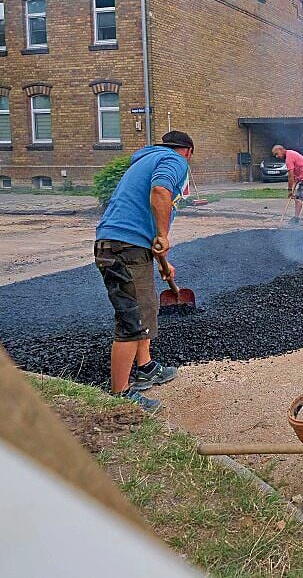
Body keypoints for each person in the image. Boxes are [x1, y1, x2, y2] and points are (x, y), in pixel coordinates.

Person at [93, 131, 193, 412]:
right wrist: (162, 235)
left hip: (125, 246)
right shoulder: (174, 160)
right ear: (188, 151)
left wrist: (164, 260)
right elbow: (160, 192)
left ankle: (146, 366)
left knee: (145, 309)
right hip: (124, 248)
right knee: (132, 317)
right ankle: (121, 395)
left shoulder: (144, 161)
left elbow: (154, 227)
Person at [274, 143, 303, 224]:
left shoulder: (289, 158)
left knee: (298, 198)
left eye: (277, 154)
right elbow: (294, 175)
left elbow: (290, 176)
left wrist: (290, 190)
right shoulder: (290, 153)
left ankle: (296, 219)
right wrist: (295, 182)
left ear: (281, 150)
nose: (276, 156)